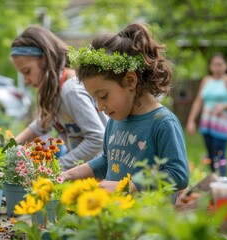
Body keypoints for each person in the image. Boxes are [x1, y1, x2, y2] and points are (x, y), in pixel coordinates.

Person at [60, 22, 189, 194]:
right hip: (120, 218)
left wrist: (129, 187)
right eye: (95, 99)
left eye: (103, 96)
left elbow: (178, 174)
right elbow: (107, 160)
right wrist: (69, 174)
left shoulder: (163, 123)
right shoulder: (115, 121)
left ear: (130, 81)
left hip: (149, 219)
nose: (99, 107)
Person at [10, 26, 107, 170]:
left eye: (27, 72)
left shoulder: (70, 91)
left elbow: (97, 138)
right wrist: (7, 149)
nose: (26, 81)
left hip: (100, 174)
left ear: (44, 59)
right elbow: (42, 124)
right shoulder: (59, 90)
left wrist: (57, 168)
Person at [186, 53, 227, 176]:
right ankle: (214, 181)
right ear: (210, 66)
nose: (217, 67)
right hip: (207, 122)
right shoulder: (206, 80)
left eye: (220, 64)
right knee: (210, 154)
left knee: (220, 153)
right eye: (214, 64)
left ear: (225, 65)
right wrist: (191, 121)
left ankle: (223, 180)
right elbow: (198, 101)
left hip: (222, 123)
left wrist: (224, 106)